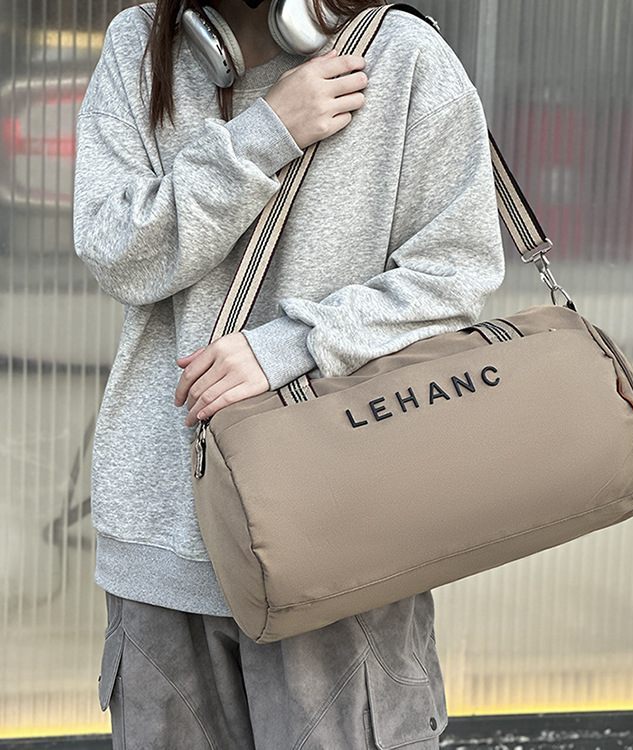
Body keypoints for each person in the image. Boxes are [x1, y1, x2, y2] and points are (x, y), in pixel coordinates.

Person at [73, 0, 504, 747]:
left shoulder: (401, 55)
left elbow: (455, 274)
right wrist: (265, 133)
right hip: (163, 537)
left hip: (341, 538)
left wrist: (288, 348)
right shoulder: (140, 44)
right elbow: (116, 252)